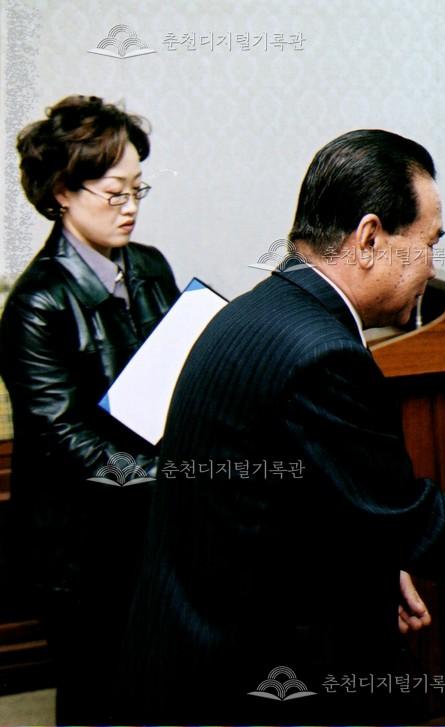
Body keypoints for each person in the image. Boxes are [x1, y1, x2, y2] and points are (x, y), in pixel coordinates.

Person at [117, 130, 445, 724]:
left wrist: (373, 560)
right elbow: (403, 516)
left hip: (195, 635)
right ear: (370, 239)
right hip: (251, 666)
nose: (432, 265)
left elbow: (293, 500)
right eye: (429, 243)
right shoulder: (325, 354)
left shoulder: (258, 309)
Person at [0, 95, 179, 723]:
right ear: (62, 192)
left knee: (158, 681)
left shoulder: (149, 266)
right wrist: (177, 476)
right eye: (114, 192)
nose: (131, 206)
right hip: (80, 544)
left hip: (150, 521)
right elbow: (66, 442)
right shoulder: (37, 303)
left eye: (138, 189)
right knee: (96, 690)